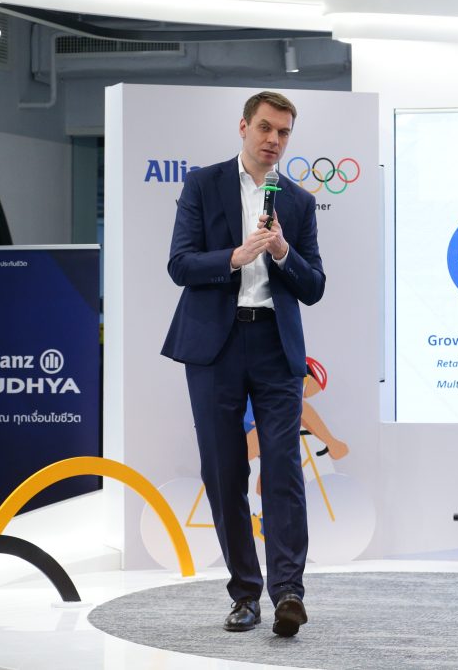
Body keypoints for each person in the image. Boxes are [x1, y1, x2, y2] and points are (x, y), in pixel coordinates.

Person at [161, 91, 325, 637]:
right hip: (216, 346)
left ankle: (289, 593)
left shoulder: (297, 202)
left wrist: (281, 252)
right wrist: (236, 256)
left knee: (283, 470)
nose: (274, 140)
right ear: (243, 127)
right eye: (265, 128)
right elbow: (180, 264)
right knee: (225, 470)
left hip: (276, 349)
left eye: (284, 132)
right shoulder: (202, 185)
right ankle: (245, 594)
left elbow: (314, 286)